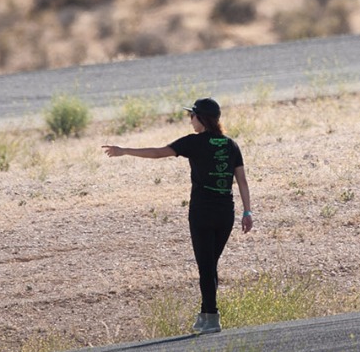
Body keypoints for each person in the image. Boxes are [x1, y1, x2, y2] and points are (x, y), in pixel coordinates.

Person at [103, 98, 253, 334]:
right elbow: (242, 181)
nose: (190, 120)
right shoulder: (231, 145)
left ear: (200, 118)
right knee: (210, 264)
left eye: (191, 116)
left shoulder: (194, 143)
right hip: (226, 213)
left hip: (202, 213)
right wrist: (247, 211)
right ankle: (206, 314)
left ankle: (212, 317)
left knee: (206, 266)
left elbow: (157, 152)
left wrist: (125, 151)